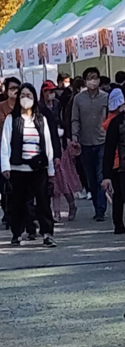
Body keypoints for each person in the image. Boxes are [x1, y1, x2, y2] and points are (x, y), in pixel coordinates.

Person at [1, 83, 57, 247]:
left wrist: (51, 168)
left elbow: (47, 144)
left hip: (38, 168)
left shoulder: (41, 119)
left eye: (29, 96)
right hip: (18, 168)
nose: (26, 99)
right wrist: (5, 166)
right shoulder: (12, 119)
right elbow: (5, 144)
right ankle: (17, 233)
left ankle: (47, 233)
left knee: (43, 202)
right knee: (18, 202)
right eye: (23, 95)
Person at [72, 67, 109, 221]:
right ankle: (96, 204)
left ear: (99, 80)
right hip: (85, 142)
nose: (92, 81)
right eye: (89, 78)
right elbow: (75, 119)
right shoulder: (78, 99)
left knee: (101, 175)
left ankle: (101, 209)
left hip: (102, 141)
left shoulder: (105, 97)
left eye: (95, 77)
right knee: (90, 178)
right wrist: (74, 135)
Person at [102, 88, 125, 234]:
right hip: (119, 165)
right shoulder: (116, 121)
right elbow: (109, 148)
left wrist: (106, 174)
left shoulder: (114, 120)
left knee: (119, 196)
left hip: (119, 164)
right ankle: (118, 223)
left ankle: (118, 224)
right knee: (120, 195)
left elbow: (109, 149)